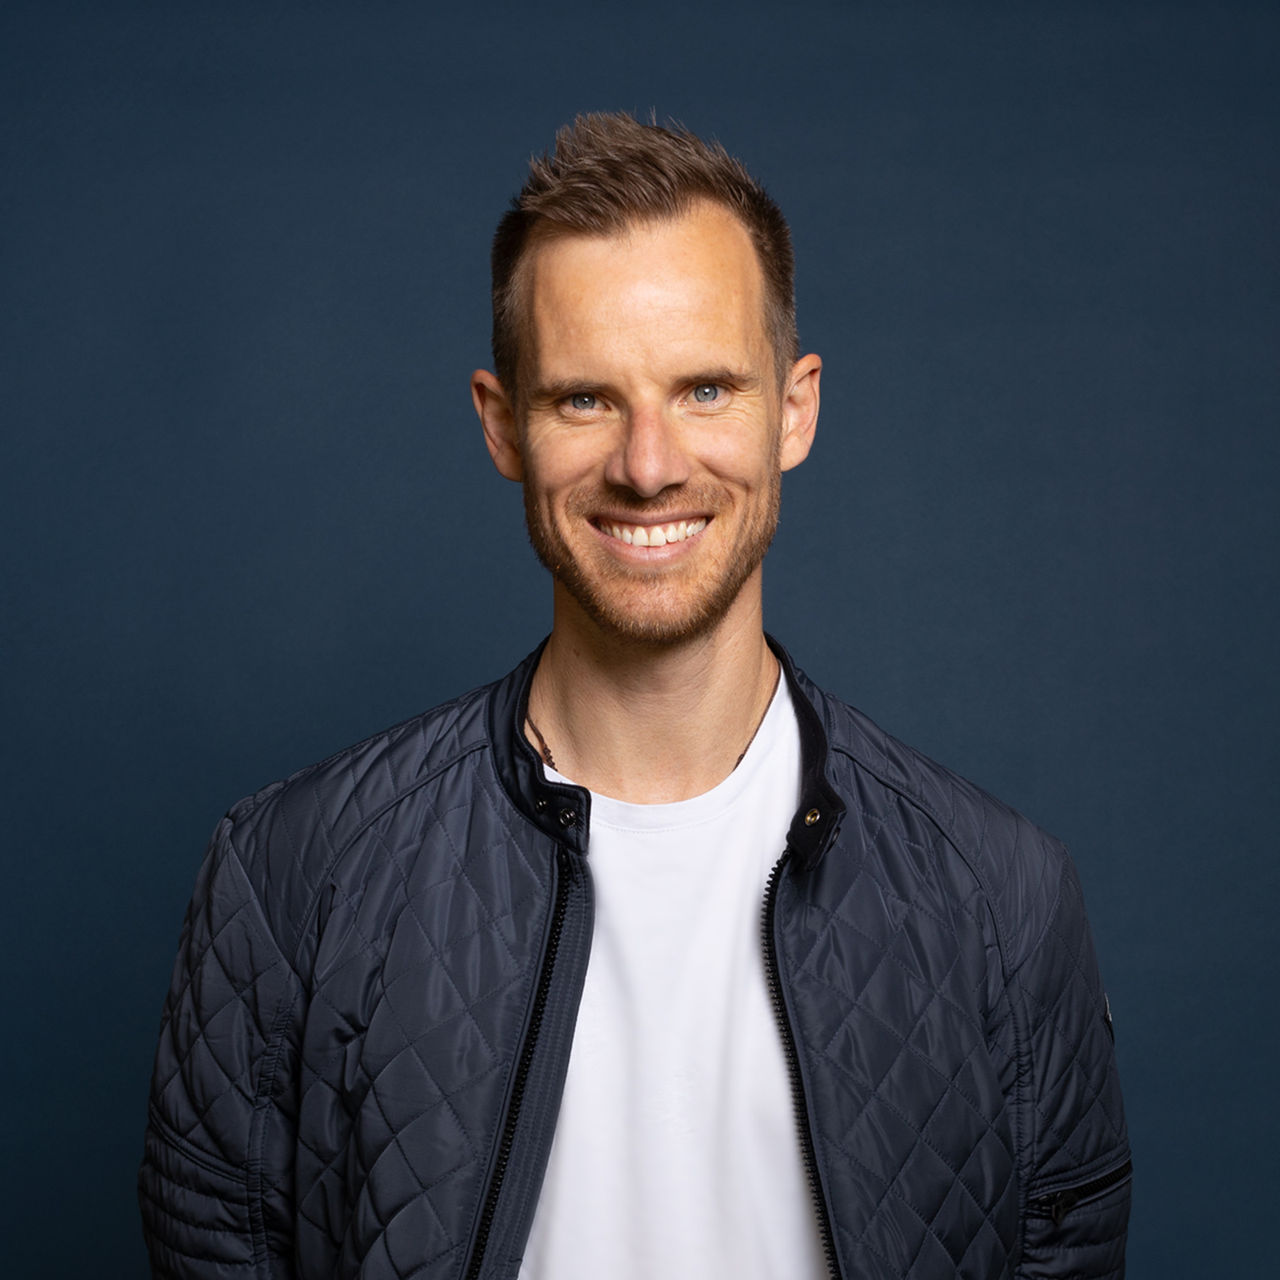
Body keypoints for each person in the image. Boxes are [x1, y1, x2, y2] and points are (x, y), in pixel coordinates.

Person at [139, 113, 1130, 1279]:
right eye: (584, 400)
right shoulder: (290, 879)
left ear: (793, 409)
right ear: (501, 424)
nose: (648, 463)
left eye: (704, 388)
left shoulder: (1001, 902)